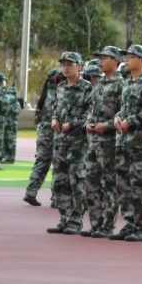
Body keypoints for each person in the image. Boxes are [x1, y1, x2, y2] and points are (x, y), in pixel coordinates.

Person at [111, 44, 142, 243]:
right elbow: (123, 108)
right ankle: (129, 223)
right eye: (126, 56)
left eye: (131, 56)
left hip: (139, 143)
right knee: (123, 186)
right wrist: (117, 117)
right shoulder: (127, 83)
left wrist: (131, 120)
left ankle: (141, 226)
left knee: (140, 186)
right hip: (123, 141)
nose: (126, 60)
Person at [48, 53, 93, 235]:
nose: (65, 68)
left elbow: (91, 114)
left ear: (79, 66)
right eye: (63, 64)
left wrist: (73, 124)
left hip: (78, 143)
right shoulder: (60, 87)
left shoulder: (87, 88)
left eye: (69, 64)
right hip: (60, 142)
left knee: (77, 182)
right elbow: (55, 108)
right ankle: (64, 218)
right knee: (60, 182)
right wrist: (53, 119)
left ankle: (75, 221)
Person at [82, 47, 123, 239]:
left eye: (104, 58)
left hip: (109, 141)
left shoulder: (121, 84)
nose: (100, 61)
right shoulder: (98, 84)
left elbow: (123, 112)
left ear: (115, 61)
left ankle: (107, 225)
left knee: (109, 184)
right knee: (91, 182)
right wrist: (89, 123)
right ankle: (96, 223)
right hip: (93, 141)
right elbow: (92, 109)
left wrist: (105, 126)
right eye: (99, 58)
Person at [24, 70, 60, 206]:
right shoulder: (57, 94)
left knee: (41, 163)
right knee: (58, 164)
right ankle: (56, 197)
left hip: (43, 132)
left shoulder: (45, 94)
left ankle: (30, 192)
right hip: (53, 131)